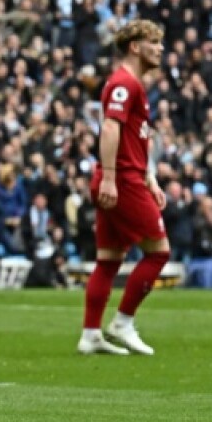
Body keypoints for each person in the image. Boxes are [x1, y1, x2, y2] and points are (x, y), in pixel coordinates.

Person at [78, 20, 170, 356]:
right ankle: (123, 322)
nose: (160, 48)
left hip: (128, 176)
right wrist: (112, 177)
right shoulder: (123, 84)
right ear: (135, 46)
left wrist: (151, 179)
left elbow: (135, 139)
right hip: (122, 180)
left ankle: (90, 334)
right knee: (159, 252)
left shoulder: (132, 85)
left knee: (108, 260)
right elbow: (111, 130)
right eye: (154, 41)